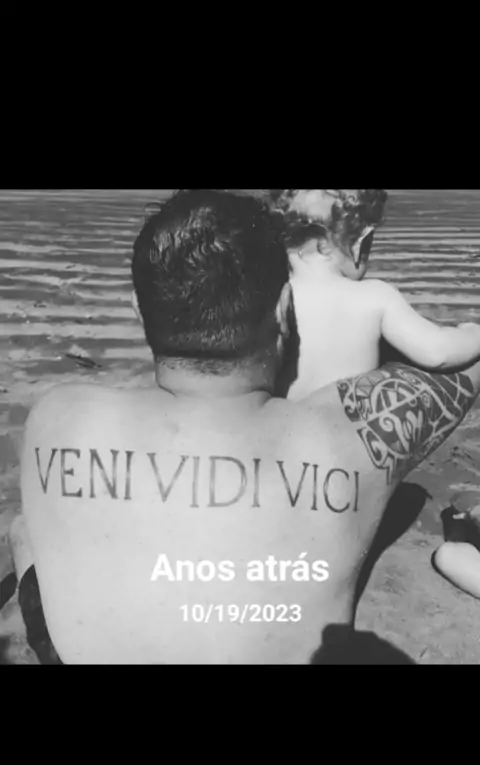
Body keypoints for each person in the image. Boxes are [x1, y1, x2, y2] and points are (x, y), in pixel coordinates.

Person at [10, 189, 480, 664]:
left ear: (138, 308)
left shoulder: (58, 417)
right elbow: (458, 369)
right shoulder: (345, 440)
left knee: (25, 531)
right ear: (282, 308)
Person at [268, 190, 480, 398]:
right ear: (361, 243)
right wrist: (472, 332)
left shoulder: (271, 298)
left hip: (283, 417)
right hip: (347, 418)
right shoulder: (375, 296)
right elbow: (437, 353)